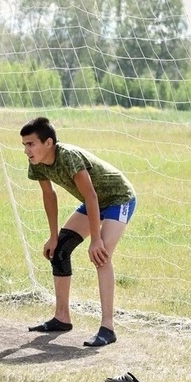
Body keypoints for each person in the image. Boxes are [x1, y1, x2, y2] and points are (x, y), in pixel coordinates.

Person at [20, 116, 136, 347]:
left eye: (31, 144)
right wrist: (53, 237)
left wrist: (96, 240)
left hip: (117, 199)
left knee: (101, 256)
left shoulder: (68, 157)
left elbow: (91, 196)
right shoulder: (37, 163)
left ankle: (107, 328)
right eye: (24, 145)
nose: (27, 150)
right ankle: (62, 318)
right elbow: (49, 195)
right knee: (60, 250)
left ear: (49, 143)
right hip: (93, 202)